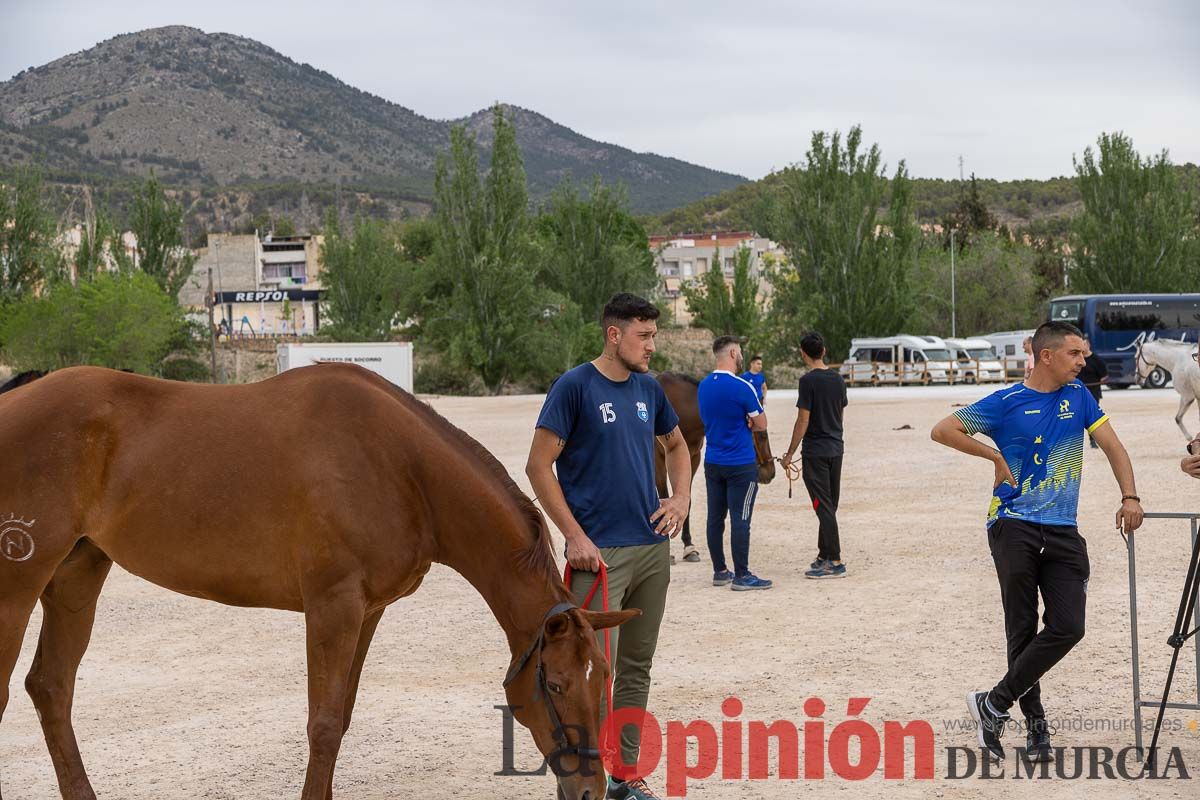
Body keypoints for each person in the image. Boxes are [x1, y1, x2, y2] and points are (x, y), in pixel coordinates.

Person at [931, 320, 1144, 763]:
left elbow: (1114, 446)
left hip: (1063, 528)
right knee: (1022, 628)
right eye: (1075, 354)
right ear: (1046, 355)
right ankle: (1037, 730)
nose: (1084, 362)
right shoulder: (1006, 402)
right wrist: (993, 455)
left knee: (1069, 626)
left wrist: (1130, 496)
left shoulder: (1080, 398)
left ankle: (993, 703)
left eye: (1084, 354)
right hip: (1013, 524)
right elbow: (943, 429)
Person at [526, 292, 692, 800]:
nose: (651, 346)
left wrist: (681, 498)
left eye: (654, 336)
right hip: (596, 558)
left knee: (637, 668)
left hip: (650, 549)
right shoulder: (574, 387)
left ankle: (626, 774)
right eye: (643, 336)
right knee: (590, 673)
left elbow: (679, 446)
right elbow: (538, 466)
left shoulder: (648, 388)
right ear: (613, 334)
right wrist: (573, 536)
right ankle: (582, 782)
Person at [698, 336, 773, 591]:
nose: (741, 357)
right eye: (739, 352)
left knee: (714, 517)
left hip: (713, 461)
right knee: (741, 519)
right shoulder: (743, 387)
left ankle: (720, 570)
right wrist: (748, 420)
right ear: (731, 353)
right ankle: (742, 574)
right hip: (740, 463)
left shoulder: (704, 386)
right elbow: (761, 424)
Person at [782, 332, 848, 579]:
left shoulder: (807, 382)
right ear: (824, 350)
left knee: (823, 506)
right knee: (830, 505)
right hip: (835, 449)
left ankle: (836, 561)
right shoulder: (838, 380)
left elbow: (803, 420)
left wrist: (789, 453)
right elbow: (840, 415)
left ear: (803, 353)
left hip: (816, 452)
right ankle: (824, 554)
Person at [1077, 338, 1108, 448]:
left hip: (1093, 392)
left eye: (1083, 344)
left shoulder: (1096, 360)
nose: (1081, 347)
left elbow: (1104, 375)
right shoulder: (1077, 360)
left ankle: (1093, 440)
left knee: (1091, 418)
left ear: (1088, 345)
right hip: (1078, 392)